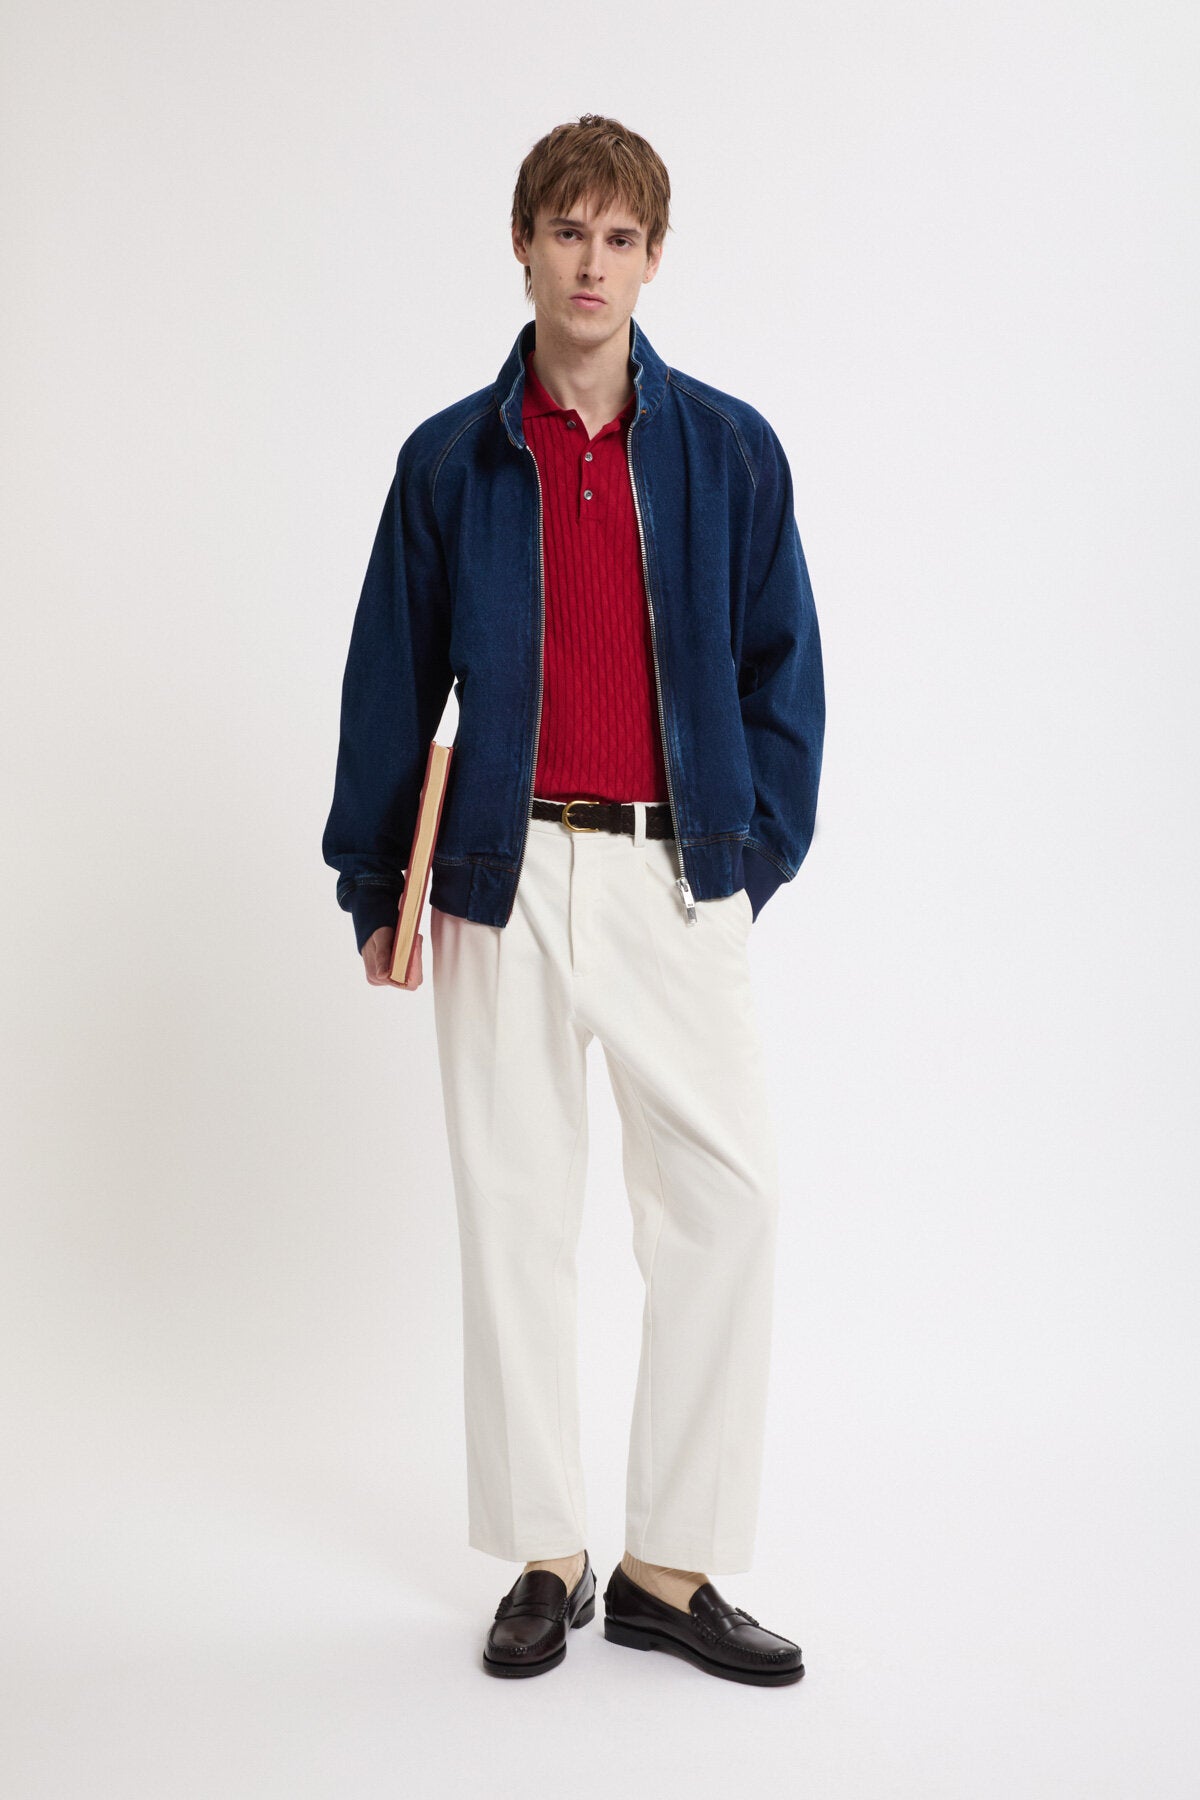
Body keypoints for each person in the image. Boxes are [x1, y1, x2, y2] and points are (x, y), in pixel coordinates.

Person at [321, 114, 825, 1686]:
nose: (590, 263)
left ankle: (671, 1567)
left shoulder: (730, 451)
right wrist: (375, 879)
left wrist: (751, 851)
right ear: (523, 247)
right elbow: (391, 683)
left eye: (618, 237)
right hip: (502, 875)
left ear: (653, 258)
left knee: (730, 1202)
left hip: (678, 870)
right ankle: (547, 1555)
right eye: (566, 232)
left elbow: (783, 671)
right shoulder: (451, 462)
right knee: (517, 1215)